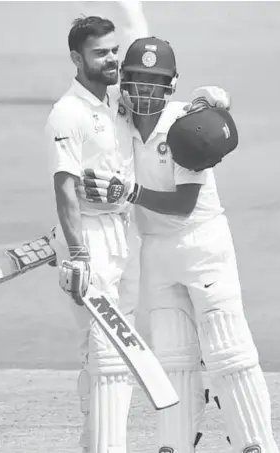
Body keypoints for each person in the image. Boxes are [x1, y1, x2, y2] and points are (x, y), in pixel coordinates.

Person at [78, 37, 280, 453]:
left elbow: (185, 205)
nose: (147, 92)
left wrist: (129, 193)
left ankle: (256, 445)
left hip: (203, 247)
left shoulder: (186, 126)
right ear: (126, 84)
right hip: (157, 251)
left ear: (170, 86)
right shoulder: (117, 123)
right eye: (138, 82)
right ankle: (173, 445)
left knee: (230, 356)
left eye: (156, 83)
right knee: (173, 361)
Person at [44, 9, 231, 453]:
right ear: (76, 58)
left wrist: (209, 103)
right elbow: (65, 186)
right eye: (99, 54)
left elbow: (164, 113)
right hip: (91, 242)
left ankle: (97, 446)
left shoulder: (117, 105)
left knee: (109, 356)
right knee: (109, 356)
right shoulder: (66, 113)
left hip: (124, 236)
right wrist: (77, 252)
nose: (110, 60)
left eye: (113, 51)